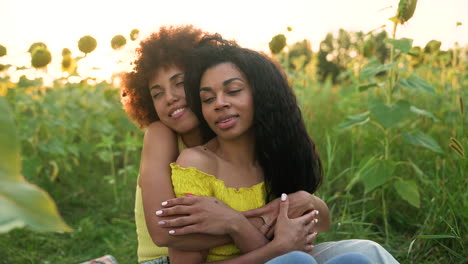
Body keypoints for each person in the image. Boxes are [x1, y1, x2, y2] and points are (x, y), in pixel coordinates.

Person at [120, 25, 330, 264]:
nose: (170, 97)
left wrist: (305, 202)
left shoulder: (238, 137)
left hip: (248, 252)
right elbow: (164, 232)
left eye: (179, 83)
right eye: (157, 94)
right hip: (163, 259)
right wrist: (249, 223)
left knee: (359, 253)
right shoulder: (162, 135)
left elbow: (316, 221)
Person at [153, 38, 374, 263]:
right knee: (298, 261)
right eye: (208, 99)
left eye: (233, 90)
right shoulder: (197, 165)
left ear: (261, 94)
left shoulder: (275, 156)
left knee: (356, 260)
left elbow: (322, 222)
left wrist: (305, 200)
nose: (219, 103)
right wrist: (269, 245)